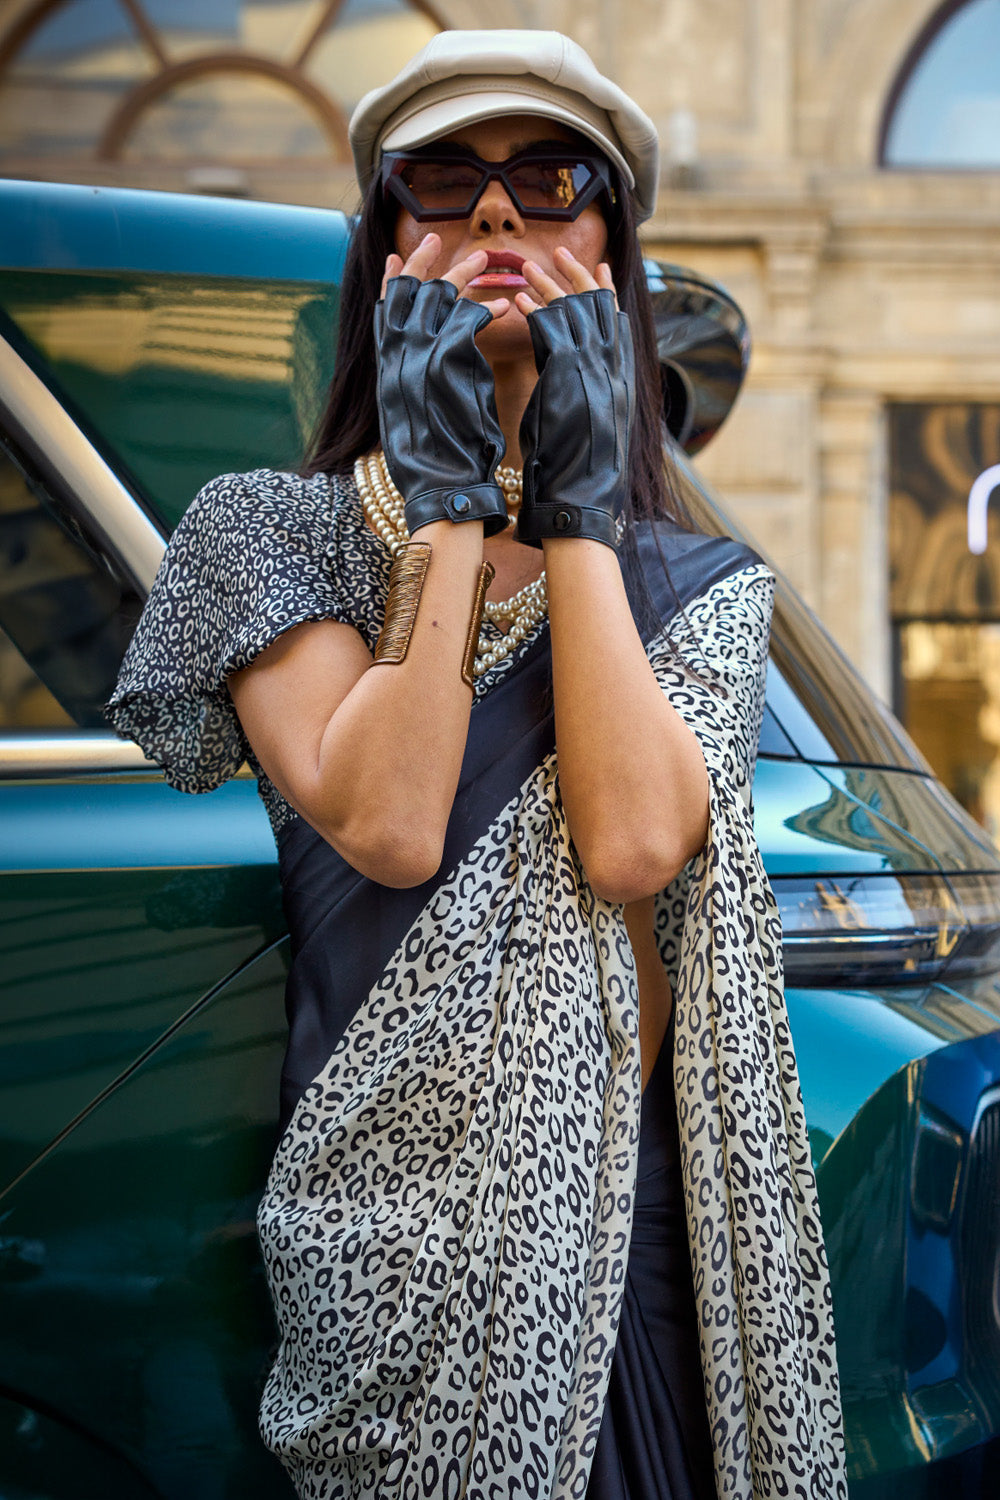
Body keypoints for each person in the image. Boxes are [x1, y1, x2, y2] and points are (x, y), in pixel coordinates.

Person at [109, 29, 846, 1500]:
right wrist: (447, 503)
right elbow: (386, 824)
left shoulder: (700, 585)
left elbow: (634, 847)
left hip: (615, 1266)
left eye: (549, 178)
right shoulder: (267, 533)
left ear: (611, 251)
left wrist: (577, 512)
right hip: (390, 1265)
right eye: (441, 180)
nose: (496, 214)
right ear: (384, 245)